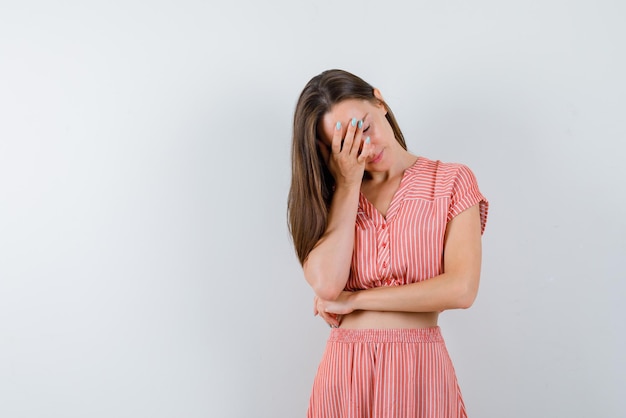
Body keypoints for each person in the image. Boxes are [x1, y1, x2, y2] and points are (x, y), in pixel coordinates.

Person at [287, 69, 488, 418]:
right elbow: (326, 284)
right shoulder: (330, 198)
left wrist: (357, 300)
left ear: (379, 102)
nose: (364, 148)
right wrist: (348, 186)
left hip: (420, 370)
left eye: (363, 128)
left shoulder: (451, 181)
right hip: (346, 375)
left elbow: (462, 289)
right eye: (344, 144)